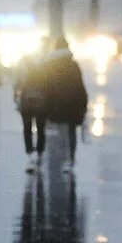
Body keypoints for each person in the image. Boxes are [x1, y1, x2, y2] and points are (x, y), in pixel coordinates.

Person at [42, 39, 88, 173]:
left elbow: (46, 86)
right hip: (72, 103)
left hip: (56, 103)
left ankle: (62, 155)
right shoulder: (73, 65)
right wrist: (83, 104)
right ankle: (71, 159)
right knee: (71, 132)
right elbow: (80, 87)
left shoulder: (50, 65)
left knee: (59, 131)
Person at [15, 47, 50, 173]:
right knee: (41, 128)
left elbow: (17, 83)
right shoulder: (43, 67)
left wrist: (15, 97)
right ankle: (39, 153)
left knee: (27, 128)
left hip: (26, 101)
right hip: (41, 101)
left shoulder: (23, 68)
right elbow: (48, 84)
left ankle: (30, 154)